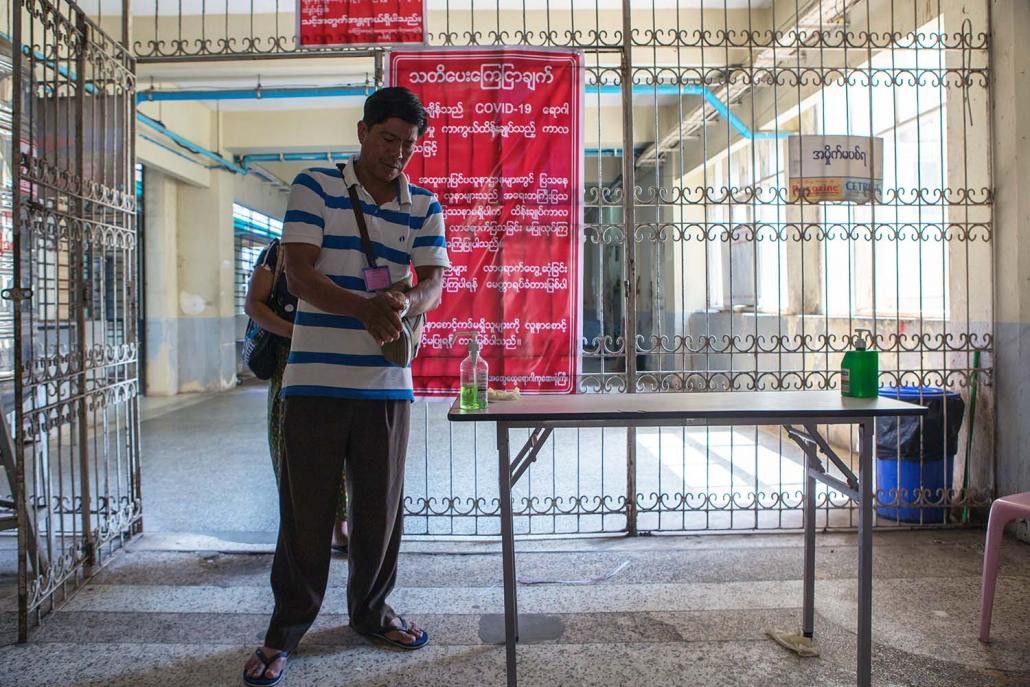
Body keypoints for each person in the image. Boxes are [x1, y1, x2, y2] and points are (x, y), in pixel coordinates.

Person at [244, 86, 448, 687]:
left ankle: (370, 612)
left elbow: (433, 283)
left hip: (387, 384)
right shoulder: (314, 186)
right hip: (313, 382)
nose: (397, 154)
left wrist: (406, 301)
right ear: (363, 132)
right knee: (305, 511)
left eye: (409, 145)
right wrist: (365, 309)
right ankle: (285, 632)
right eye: (388, 139)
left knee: (380, 511)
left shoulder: (425, 204)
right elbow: (301, 273)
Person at [243, 241, 351, 554]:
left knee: (337, 442)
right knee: (289, 444)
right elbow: (254, 304)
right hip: (288, 362)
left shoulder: (341, 249)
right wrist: (297, 333)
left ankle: (338, 525)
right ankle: (297, 525)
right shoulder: (277, 253)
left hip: (336, 359)